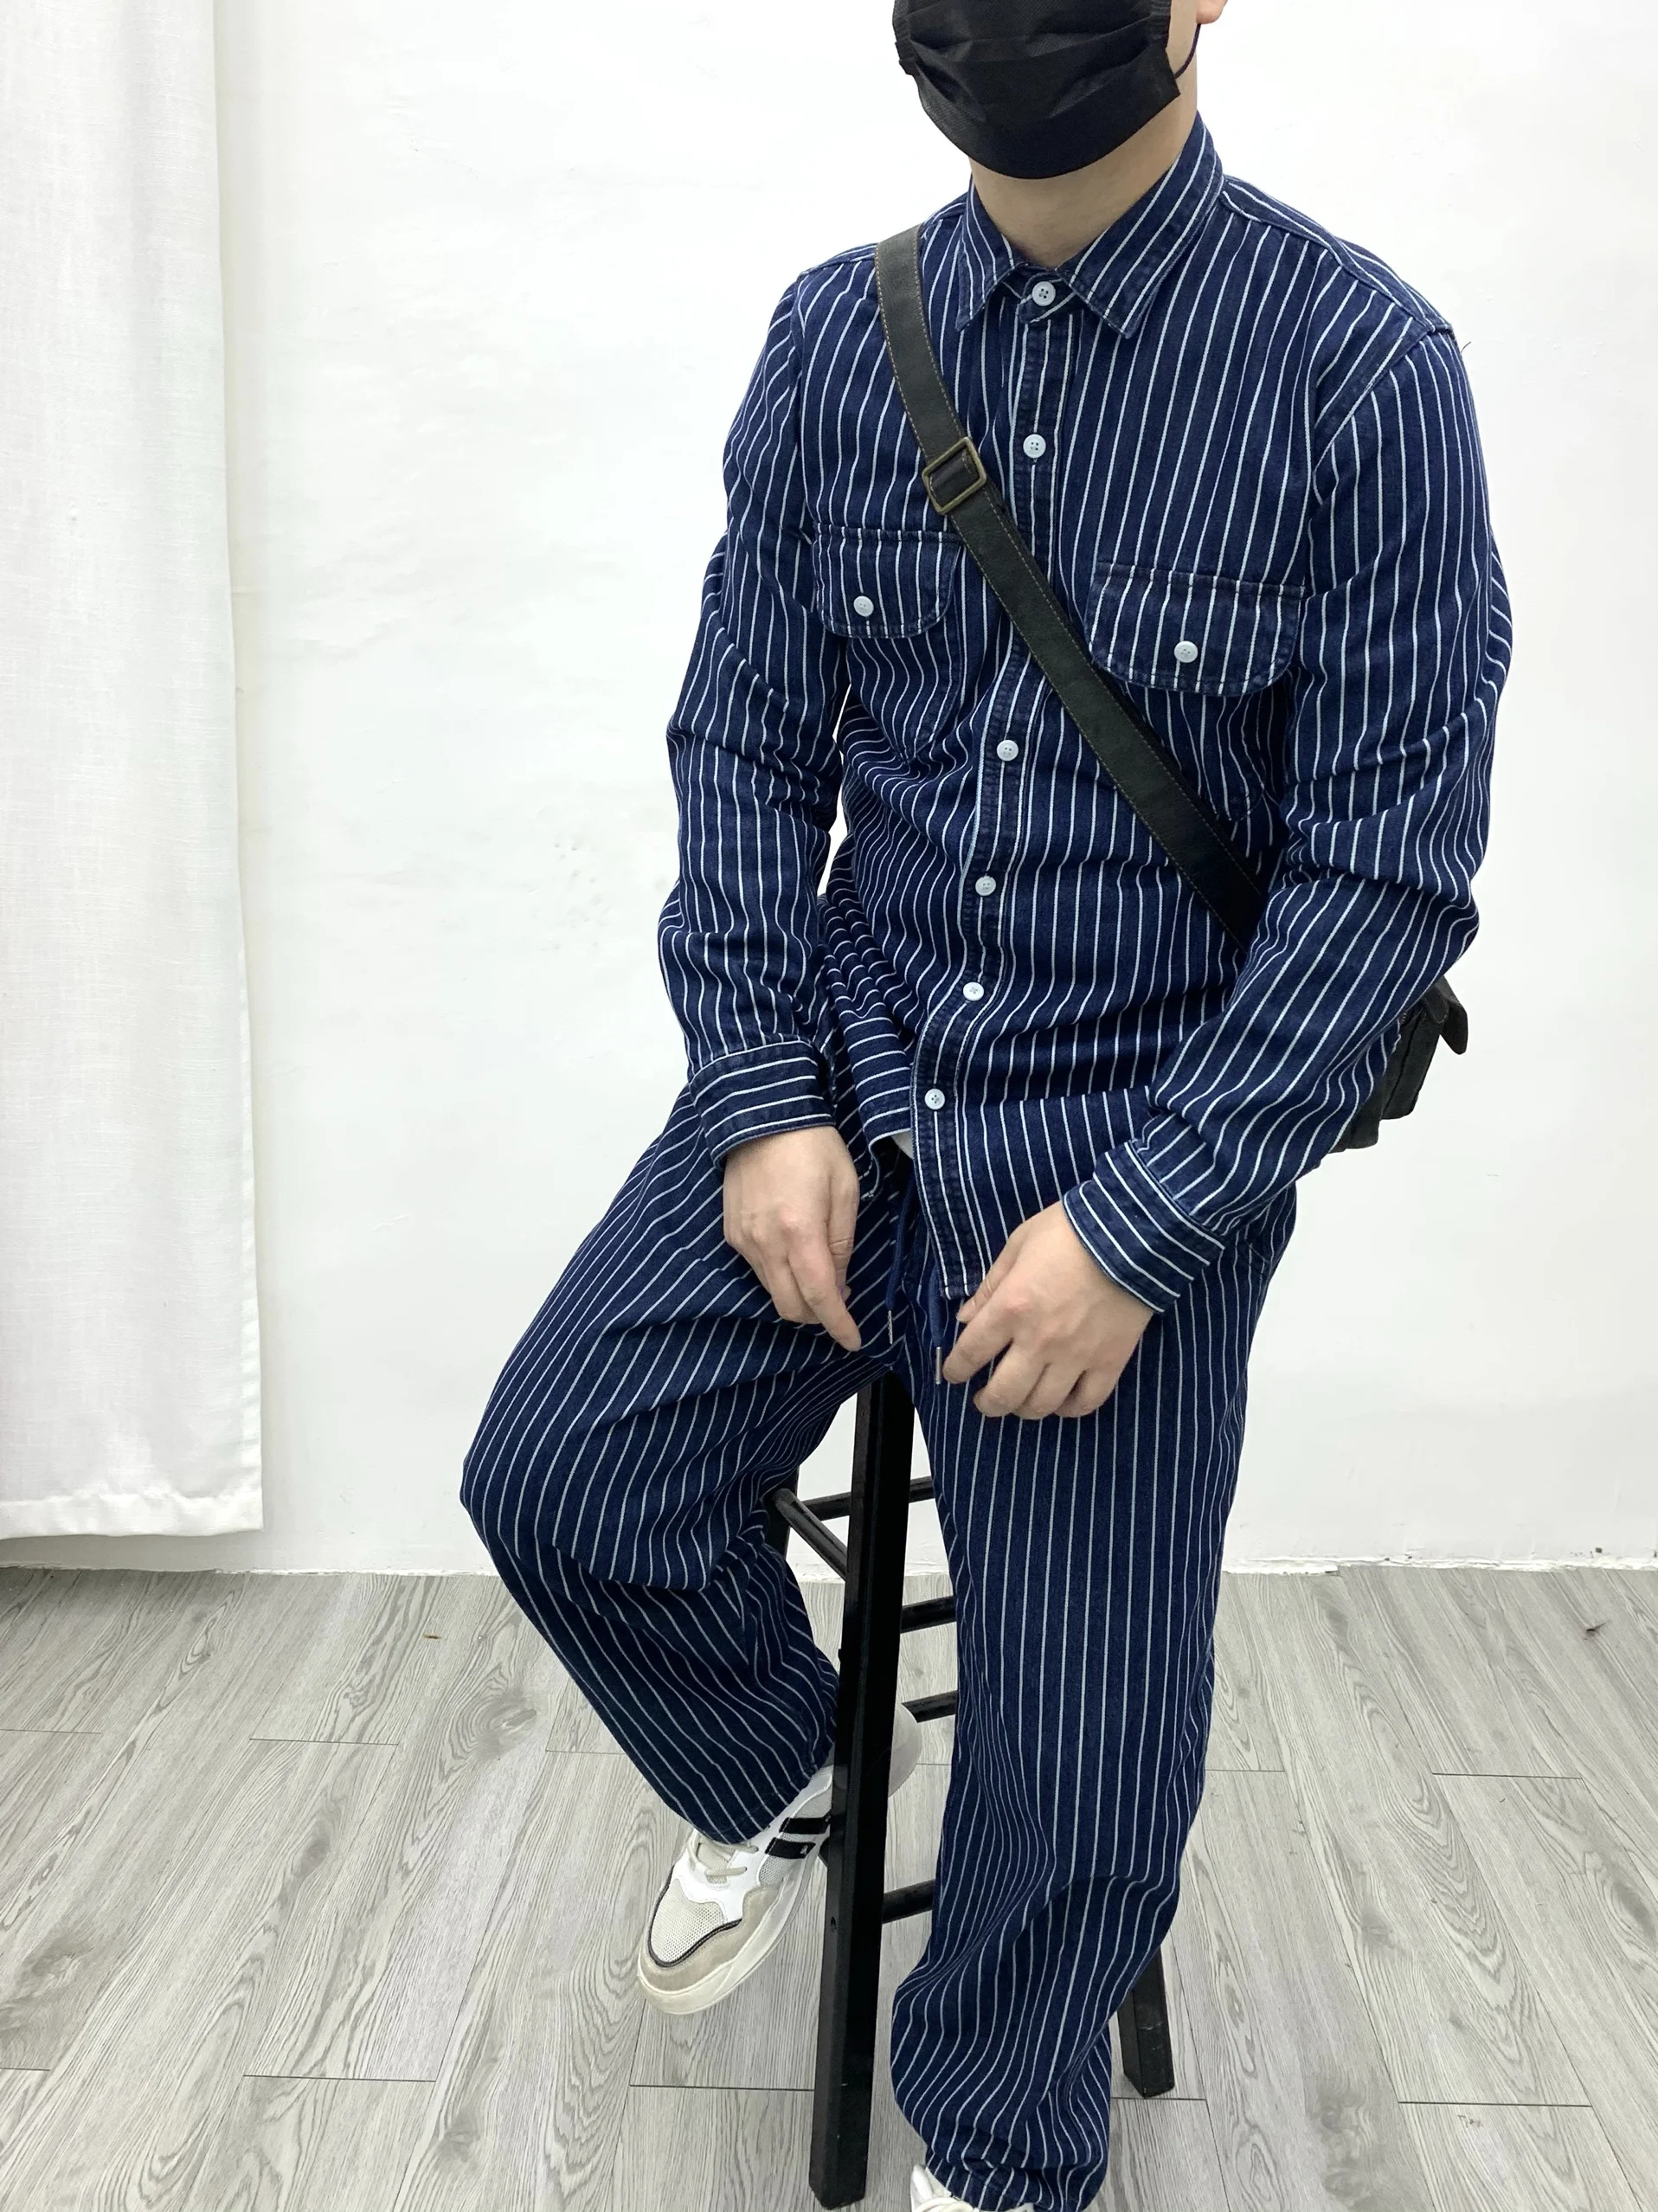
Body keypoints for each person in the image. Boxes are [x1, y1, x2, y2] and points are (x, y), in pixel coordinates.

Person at [461, 1, 1510, 2205]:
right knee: (561, 1475)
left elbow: (1385, 872)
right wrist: (759, 1093)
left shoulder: (1359, 373)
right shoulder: (833, 344)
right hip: (846, 1069)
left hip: (1138, 1113)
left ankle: (1002, 2147)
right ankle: (785, 1773)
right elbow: (744, 742)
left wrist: (1141, 1228)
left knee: (1084, 1733)